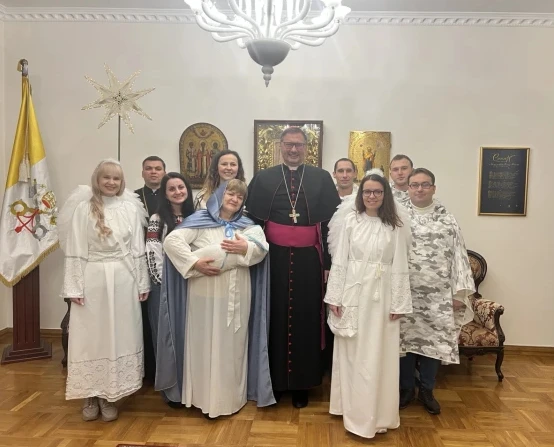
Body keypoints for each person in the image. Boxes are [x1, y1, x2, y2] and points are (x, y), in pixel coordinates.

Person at [156, 179, 275, 417]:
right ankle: (202, 397)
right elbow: (172, 241)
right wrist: (195, 262)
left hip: (238, 291)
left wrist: (246, 250)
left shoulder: (248, 226)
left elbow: (261, 250)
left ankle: (230, 398)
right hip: (204, 292)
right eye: (230, 194)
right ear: (220, 195)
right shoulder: (200, 220)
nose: (234, 199)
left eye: (240, 197)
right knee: (204, 340)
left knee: (233, 343)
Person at [246, 127, 341, 408]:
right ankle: (273, 381)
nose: (293, 150)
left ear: (307, 147)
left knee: (306, 319)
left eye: (299, 145)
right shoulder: (263, 178)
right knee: (272, 316)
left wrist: (328, 264)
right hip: (272, 259)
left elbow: (330, 226)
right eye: (288, 144)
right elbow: (253, 223)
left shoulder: (321, 178)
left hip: (309, 262)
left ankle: (302, 384)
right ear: (280, 146)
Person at [58, 159, 150, 422]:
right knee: (91, 337)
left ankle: (111, 394)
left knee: (120, 334)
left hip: (124, 279)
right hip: (93, 278)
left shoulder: (130, 208)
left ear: (122, 182)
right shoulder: (83, 208)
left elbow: (137, 248)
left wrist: (142, 282)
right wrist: (74, 286)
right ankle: (90, 394)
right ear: (97, 180)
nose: (111, 182)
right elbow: (75, 249)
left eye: (116, 179)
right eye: (106, 178)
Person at [324, 169, 412, 438]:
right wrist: (334, 297)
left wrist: (398, 302)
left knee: (378, 354)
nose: (372, 196)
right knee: (352, 352)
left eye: (377, 191)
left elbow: (400, 265)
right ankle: (350, 409)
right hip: (353, 291)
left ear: (385, 195)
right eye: (367, 192)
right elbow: (339, 260)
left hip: (382, 296)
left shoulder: (394, 226)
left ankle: (379, 413)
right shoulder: (351, 222)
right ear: (361, 196)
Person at [399, 168, 475, 415]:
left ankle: (428, 391)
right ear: (407, 188)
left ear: (434, 188)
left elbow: (459, 256)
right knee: (405, 342)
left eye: (424, 184)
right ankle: (406, 389)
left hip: (439, 296)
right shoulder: (397, 217)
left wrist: (458, 293)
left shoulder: (448, 220)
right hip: (405, 292)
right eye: (414, 185)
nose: (419, 189)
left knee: (434, 344)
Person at [145, 173, 194, 371]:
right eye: (171, 189)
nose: (177, 192)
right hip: (165, 283)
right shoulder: (158, 218)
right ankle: (170, 386)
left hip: (191, 281)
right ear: (165, 194)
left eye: (181, 187)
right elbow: (152, 250)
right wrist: (162, 281)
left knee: (189, 334)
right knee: (166, 335)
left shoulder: (195, 216)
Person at [135, 155, 166, 383]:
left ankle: (161, 367)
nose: (153, 172)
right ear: (143, 172)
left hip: (163, 263)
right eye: (149, 169)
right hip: (138, 261)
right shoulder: (133, 198)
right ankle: (144, 368)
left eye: (158, 169)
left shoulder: (172, 194)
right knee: (142, 317)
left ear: (164, 172)